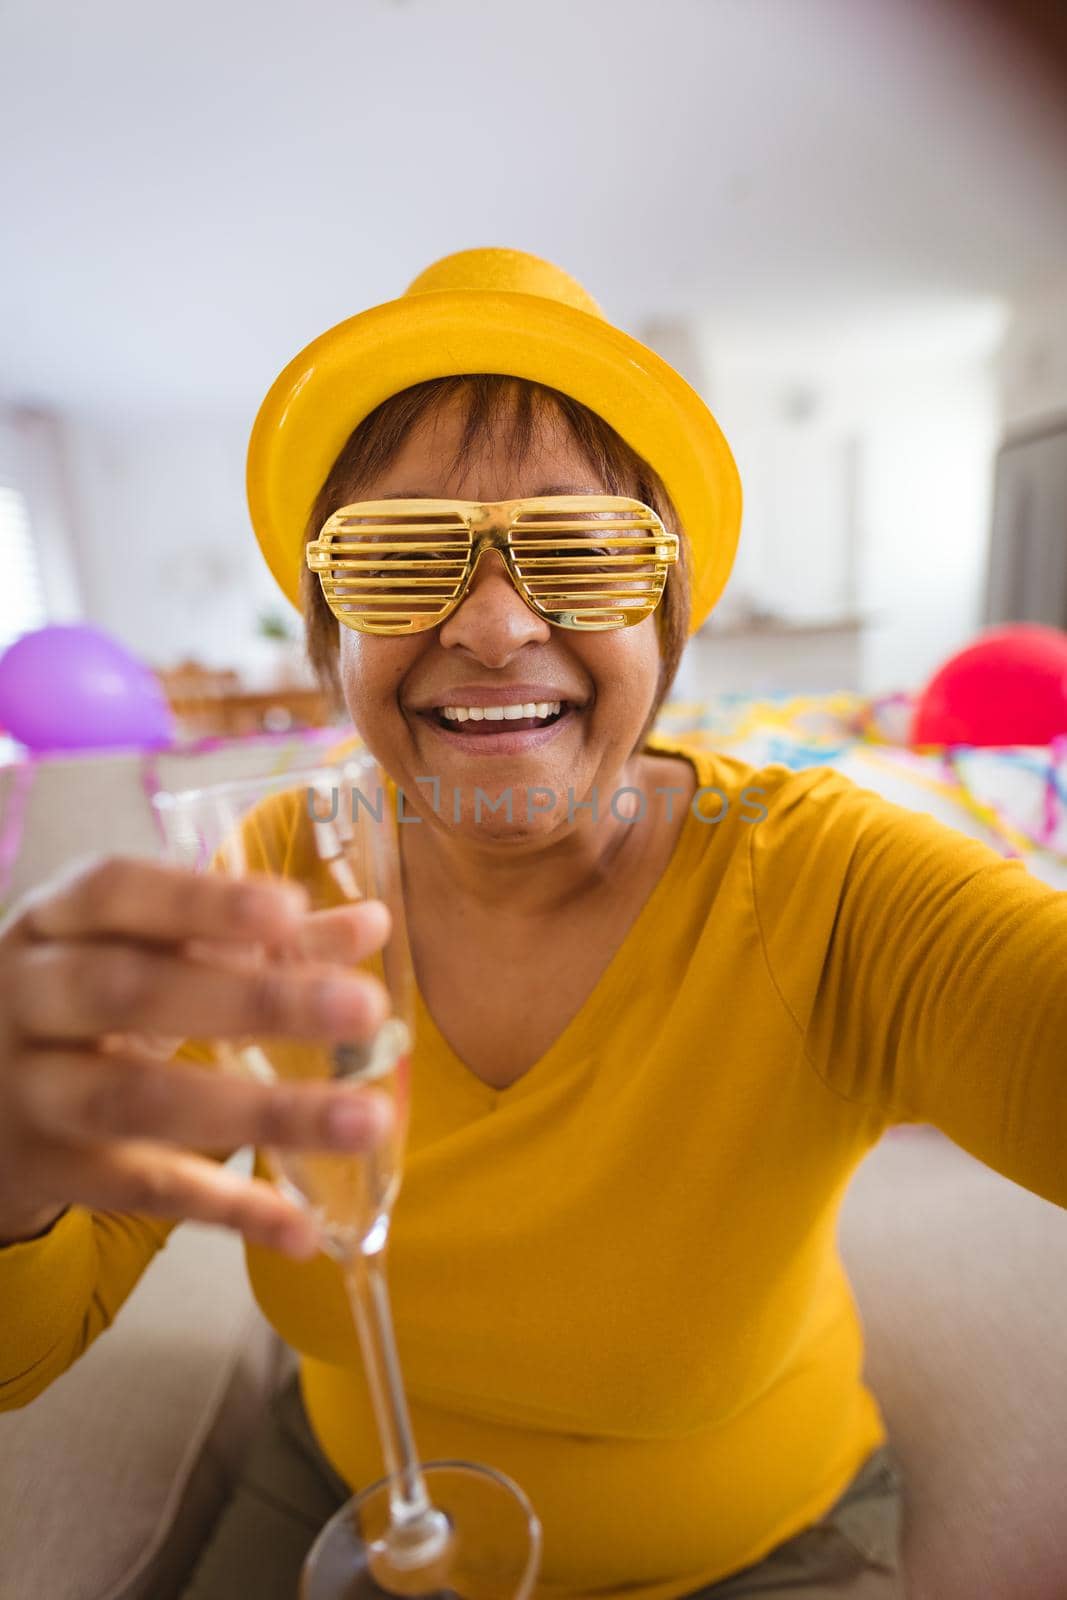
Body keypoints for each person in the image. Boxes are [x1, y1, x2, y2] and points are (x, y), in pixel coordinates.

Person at [1, 248, 1064, 1600]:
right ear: (333, 634)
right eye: (399, 558)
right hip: (347, 1494)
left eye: (580, 549)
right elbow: (23, 1352)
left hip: (747, 1561)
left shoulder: (819, 882)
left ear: (668, 618)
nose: (496, 627)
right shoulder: (273, 881)